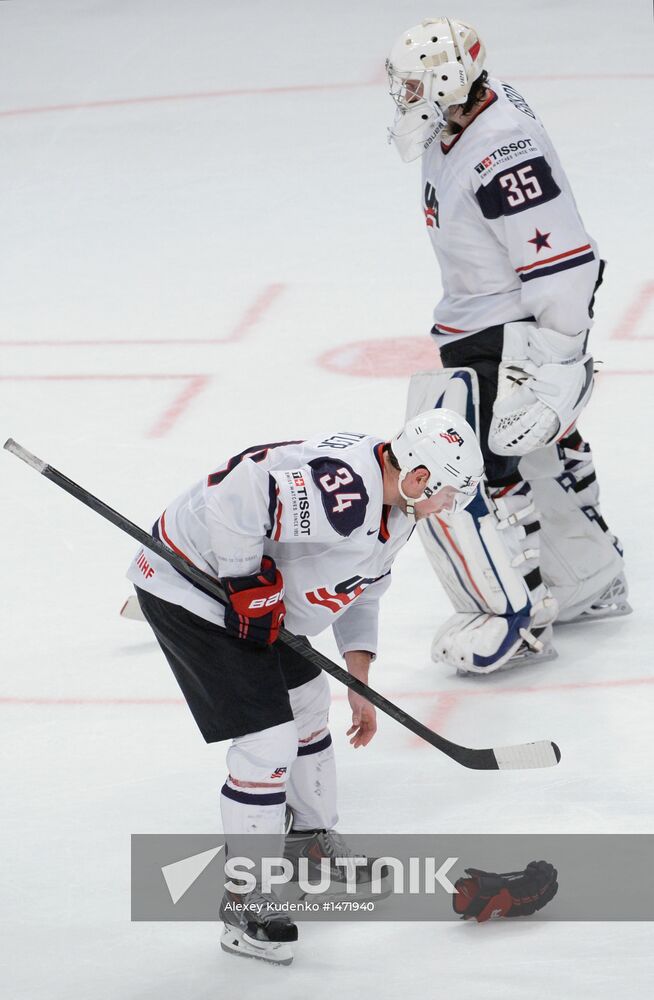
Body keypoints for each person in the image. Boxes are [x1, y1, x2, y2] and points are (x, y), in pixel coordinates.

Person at [126, 410, 484, 964]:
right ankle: (244, 900)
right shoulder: (346, 494)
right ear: (420, 478)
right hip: (191, 586)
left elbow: (362, 589)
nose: (450, 505)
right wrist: (245, 578)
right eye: (449, 493)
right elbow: (238, 490)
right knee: (267, 742)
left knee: (311, 702)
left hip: (248, 595)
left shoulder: (398, 506)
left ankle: (307, 844)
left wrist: (359, 680)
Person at [385, 17, 630, 675]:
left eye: (414, 84)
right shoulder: (463, 120)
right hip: (483, 320)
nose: (404, 96)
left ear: (448, 81)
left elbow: (564, 258)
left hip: (505, 327)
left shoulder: (501, 150)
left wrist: (560, 354)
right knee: (539, 451)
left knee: (480, 472)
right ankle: (590, 579)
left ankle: (523, 616)